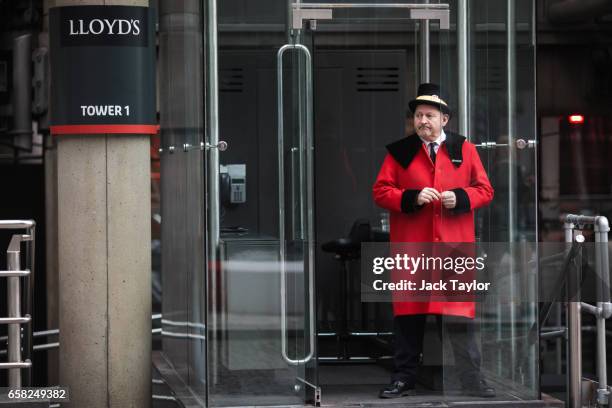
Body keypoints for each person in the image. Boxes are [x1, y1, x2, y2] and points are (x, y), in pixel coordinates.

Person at [372, 83, 495, 399]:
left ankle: (471, 381)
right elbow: (381, 192)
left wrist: (461, 198)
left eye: (429, 115)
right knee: (409, 317)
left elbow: (485, 190)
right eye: (418, 116)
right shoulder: (400, 151)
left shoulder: (464, 148)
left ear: (445, 119)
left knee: (458, 317)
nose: (423, 121)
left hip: (453, 249)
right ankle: (403, 379)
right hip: (413, 248)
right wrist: (411, 196)